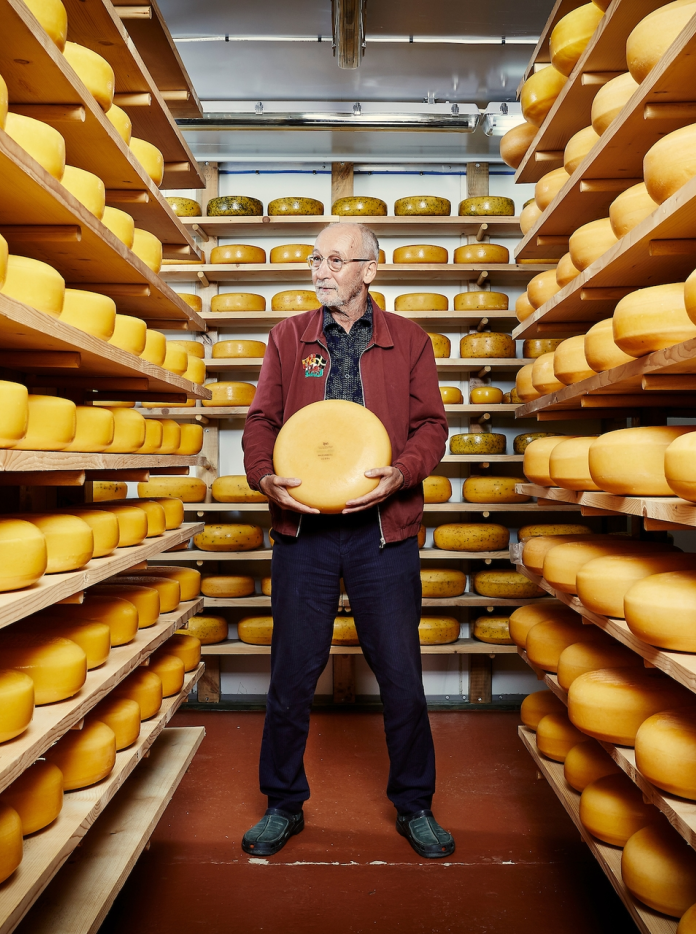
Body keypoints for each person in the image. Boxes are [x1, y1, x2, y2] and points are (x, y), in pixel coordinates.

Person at [241, 221, 454, 859]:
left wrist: (403, 473)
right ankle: (283, 804)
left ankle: (415, 805)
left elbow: (431, 426)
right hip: (304, 530)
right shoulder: (288, 337)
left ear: (371, 270)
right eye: (316, 258)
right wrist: (264, 477)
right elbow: (260, 420)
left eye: (337, 259)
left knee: (401, 675)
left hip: (380, 533)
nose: (321, 269)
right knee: (291, 676)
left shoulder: (409, 340)